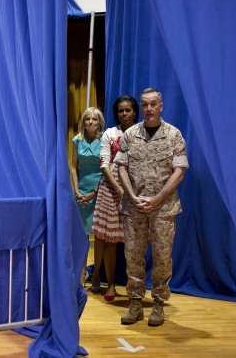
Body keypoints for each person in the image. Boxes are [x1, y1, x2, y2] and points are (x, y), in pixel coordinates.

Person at [114, 88, 189, 327]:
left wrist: (156, 199)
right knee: (133, 256)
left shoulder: (173, 135)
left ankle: (158, 304)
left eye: (153, 104)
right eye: (144, 104)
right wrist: (132, 195)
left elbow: (179, 172)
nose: (148, 109)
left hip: (163, 209)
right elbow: (122, 167)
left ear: (161, 106)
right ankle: (135, 303)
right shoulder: (130, 135)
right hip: (134, 206)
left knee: (162, 257)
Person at [91, 95, 139, 301]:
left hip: (136, 189)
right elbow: (104, 164)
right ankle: (109, 283)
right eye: (120, 110)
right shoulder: (110, 133)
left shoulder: (142, 132)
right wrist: (120, 191)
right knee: (109, 239)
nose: (124, 113)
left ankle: (134, 285)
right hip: (111, 190)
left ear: (135, 112)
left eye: (128, 110)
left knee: (135, 240)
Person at [71, 107, 104, 284]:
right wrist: (76, 190)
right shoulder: (77, 140)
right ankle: (82, 272)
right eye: (87, 119)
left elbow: (108, 169)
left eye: (94, 119)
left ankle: (97, 273)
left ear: (100, 123)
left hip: (101, 189)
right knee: (82, 235)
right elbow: (74, 167)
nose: (90, 122)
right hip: (81, 190)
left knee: (98, 235)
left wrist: (94, 193)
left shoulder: (105, 139)